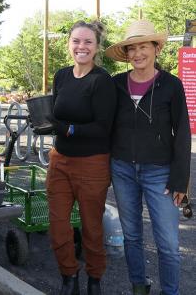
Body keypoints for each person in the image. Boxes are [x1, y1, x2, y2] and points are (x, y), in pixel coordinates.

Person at [106, 20, 191, 295]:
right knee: (131, 236)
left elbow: (183, 133)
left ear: (156, 48)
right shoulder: (116, 85)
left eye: (143, 46)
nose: (137, 53)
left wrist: (180, 180)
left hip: (161, 173)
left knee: (167, 243)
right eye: (132, 48)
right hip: (122, 170)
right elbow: (104, 124)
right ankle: (139, 288)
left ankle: (170, 292)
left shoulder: (171, 85)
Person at [45, 21, 117, 295]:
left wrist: (70, 129)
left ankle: (95, 279)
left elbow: (103, 127)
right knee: (58, 224)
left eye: (88, 42)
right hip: (60, 160)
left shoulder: (102, 81)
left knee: (92, 227)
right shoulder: (62, 76)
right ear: (69, 44)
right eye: (76, 41)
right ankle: (68, 276)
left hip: (92, 164)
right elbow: (55, 113)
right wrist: (47, 122)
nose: (81, 47)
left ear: (97, 47)